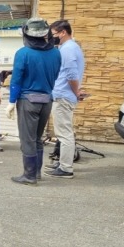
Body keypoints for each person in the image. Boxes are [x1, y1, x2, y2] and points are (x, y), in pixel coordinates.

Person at [6, 18, 61, 185]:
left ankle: (29, 176)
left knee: (27, 139)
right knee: (37, 138)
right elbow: (56, 76)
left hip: (28, 101)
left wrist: (11, 102)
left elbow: (16, 80)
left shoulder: (23, 53)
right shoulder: (56, 52)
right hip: (47, 100)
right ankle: (36, 173)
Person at [44, 20, 85, 179]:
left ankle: (66, 168)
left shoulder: (68, 49)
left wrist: (76, 92)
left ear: (63, 32)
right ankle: (62, 162)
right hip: (64, 95)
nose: (52, 37)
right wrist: (77, 91)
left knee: (64, 134)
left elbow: (71, 75)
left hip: (63, 96)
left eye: (53, 34)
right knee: (64, 131)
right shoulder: (71, 48)